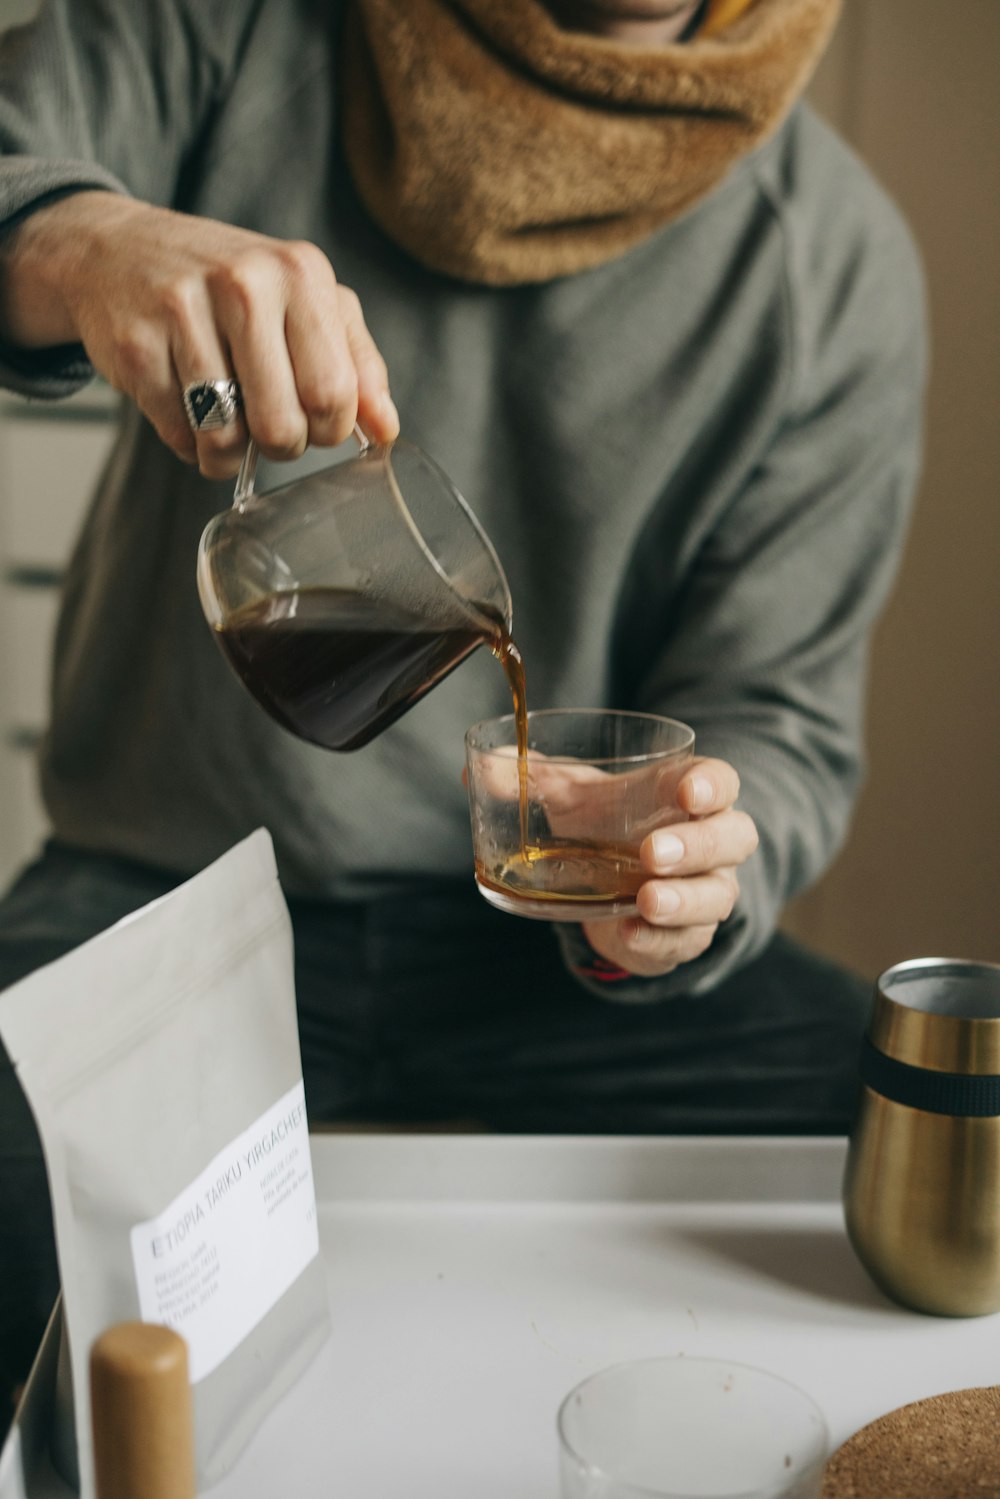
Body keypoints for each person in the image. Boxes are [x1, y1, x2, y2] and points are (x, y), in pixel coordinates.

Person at [0, 0, 925, 1424]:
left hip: (548, 952)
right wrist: (78, 237)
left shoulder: (832, 264)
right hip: (166, 889)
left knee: (909, 1140)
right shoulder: (244, 27)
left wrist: (679, 873)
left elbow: (774, 720)